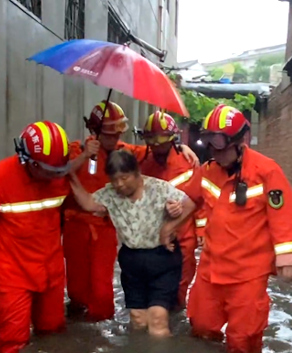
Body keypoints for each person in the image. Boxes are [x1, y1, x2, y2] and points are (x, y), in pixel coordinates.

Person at [62, 101, 200, 322]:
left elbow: (155, 150)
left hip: (106, 227)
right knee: (77, 290)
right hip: (76, 226)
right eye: (109, 134)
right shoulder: (75, 150)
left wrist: (181, 146)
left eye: (117, 134)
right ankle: (80, 330)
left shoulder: (125, 153)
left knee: (102, 295)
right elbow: (59, 171)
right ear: (93, 130)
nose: (114, 139)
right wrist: (84, 156)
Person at [186, 104, 292, 353]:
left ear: (240, 141)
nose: (216, 152)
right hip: (211, 268)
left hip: (248, 273)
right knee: (201, 327)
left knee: (243, 342)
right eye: (210, 144)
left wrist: (287, 256)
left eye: (221, 145)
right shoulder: (208, 171)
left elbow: (282, 215)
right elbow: (189, 201)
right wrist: (168, 225)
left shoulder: (266, 172)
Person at [0, 121, 70, 353]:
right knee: (12, 345)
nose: (55, 176)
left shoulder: (58, 176)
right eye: (49, 171)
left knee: (52, 333)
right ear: (27, 161)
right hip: (14, 273)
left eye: (58, 171)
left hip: (51, 269)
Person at [68, 150, 196, 336]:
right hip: (132, 260)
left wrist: (169, 226)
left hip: (162, 257)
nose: (119, 184)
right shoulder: (110, 193)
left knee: (157, 318)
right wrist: (70, 175)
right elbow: (88, 202)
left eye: (124, 178)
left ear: (136, 172)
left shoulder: (159, 188)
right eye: (115, 179)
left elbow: (190, 204)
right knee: (137, 318)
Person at [137, 111, 202, 309]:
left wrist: (202, 231)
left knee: (179, 289)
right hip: (153, 238)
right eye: (151, 139)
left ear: (173, 138)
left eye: (161, 139)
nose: (156, 145)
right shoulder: (141, 161)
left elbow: (200, 200)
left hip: (183, 237)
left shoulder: (189, 162)